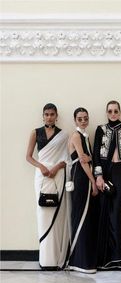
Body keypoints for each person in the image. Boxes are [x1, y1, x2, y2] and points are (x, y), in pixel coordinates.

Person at [26, 103, 69, 270]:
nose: (49, 117)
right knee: (43, 214)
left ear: (56, 116)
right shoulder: (35, 133)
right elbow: (28, 157)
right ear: (42, 116)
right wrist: (42, 167)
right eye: (47, 114)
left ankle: (57, 258)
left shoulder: (63, 135)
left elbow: (66, 159)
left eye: (52, 114)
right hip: (42, 176)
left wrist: (56, 168)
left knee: (57, 216)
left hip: (57, 176)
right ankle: (45, 260)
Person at [93, 100, 121, 269]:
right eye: (110, 111)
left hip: (120, 173)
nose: (113, 114)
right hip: (105, 172)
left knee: (116, 213)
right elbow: (96, 153)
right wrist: (99, 176)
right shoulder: (100, 129)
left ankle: (118, 258)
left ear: (120, 112)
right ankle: (104, 258)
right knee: (103, 212)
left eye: (116, 111)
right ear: (107, 113)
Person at [67, 107, 99, 274]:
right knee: (81, 216)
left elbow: (88, 158)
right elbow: (82, 161)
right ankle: (79, 261)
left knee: (87, 218)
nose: (83, 121)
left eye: (85, 118)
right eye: (80, 119)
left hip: (84, 177)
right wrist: (93, 181)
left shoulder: (85, 136)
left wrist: (91, 158)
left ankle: (85, 259)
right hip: (81, 178)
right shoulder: (76, 136)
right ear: (75, 120)